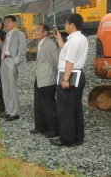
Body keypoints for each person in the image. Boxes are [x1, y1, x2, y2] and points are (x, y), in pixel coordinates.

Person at [50, 14, 88, 147]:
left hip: (70, 75)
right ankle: (78, 137)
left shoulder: (73, 41)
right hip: (79, 75)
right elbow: (66, 51)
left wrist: (65, 79)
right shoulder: (81, 38)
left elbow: (70, 61)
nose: (64, 25)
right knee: (76, 107)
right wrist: (59, 38)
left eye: (66, 23)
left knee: (65, 109)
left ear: (72, 25)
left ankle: (66, 139)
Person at [0, 15, 27, 121]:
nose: (7, 23)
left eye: (9, 21)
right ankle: (8, 110)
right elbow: (6, 48)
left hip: (11, 62)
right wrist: (0, 43)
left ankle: (15, 112)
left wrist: (14, 62)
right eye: (5, 21)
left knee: (12, 88)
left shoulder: (19, 34)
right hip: (4, 60)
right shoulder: (7, 35)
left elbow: (22, 51)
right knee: (5, 87)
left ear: (14, 23)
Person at [31, 24, 60, 138]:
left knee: (48, 104)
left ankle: (53, 129)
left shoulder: (49, 44)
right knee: (39, 103)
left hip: (48, 78)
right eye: (36, 29)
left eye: (38, 30)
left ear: (45, 32)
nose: (36, 31)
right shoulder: (40, 44)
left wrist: (59, 78)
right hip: (40, 77)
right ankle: (41, 126)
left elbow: (56, 62)